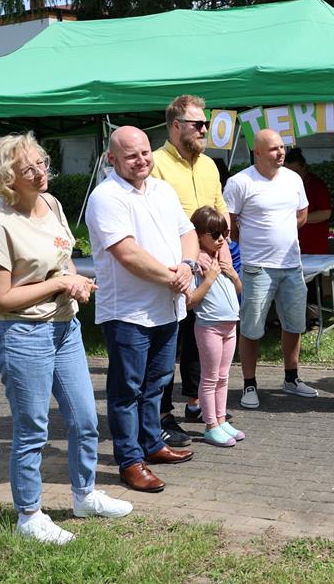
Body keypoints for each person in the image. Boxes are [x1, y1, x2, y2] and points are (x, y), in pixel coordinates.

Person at [0, 132, 132, 545]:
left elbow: (62, 262)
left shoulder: (53, 204)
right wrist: (60, 284)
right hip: (21, 332)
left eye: (41, 163)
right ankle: (28, 516)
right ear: (6, 177)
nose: (39, 173)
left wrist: (75, 283)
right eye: (27, 169)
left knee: (84, 419)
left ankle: (84, 496)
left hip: (66, 327)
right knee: (32, 428)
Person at [86, 126, 198, 494]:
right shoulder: (106, 197)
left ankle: (152, 444)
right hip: (129, 312)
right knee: (126, 390)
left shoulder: (163, 190)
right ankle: (129, 460)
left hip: (167, 308)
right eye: (131, 155)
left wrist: (186, 264)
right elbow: (127, 253)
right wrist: (174, 278)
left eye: (145, 152)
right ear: (111, 159)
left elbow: (189, 233)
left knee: (157, 384)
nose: (141, 160)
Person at [151, 94, 231, 448]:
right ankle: (163, 414)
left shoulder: (210, 165)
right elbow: (155, 220)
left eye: (206, 124)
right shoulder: (155, 164)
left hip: (211, 264)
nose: (204, 130)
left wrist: (222, 243)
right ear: (175, 126)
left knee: (203, 338)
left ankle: (200, 403)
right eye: (198, 124)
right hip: (178, 267)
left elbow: (221, 208)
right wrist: (193, 252)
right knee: (172, 341)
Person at [223, 128, 317, 409]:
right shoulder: (240, 182)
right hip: (257, 267)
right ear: (258, 152)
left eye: (282, 147)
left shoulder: (293, 179)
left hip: (291, 265)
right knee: (251, 329)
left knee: (295, 324)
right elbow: (230, 224)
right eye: (274, 148)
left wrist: (281, 231)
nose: (281, 152)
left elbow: (302, 214)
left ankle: (291, 377)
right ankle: (249, 384)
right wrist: (254, 241)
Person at [185, 206, 245, 447]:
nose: (222, 239)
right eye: (215, 234)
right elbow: (189, 301)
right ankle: (210, 425)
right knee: (209, 378)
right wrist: (209, 279)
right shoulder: (198, 264)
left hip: (230, 325)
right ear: (199, 235)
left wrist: (234, 276)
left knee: (224, 376)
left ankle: (221, 419)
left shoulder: (225, 258)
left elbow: (239, 291)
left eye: (224, 233)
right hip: (209, 326)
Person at [284, 147, 333, 255]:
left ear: (304, 167)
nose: (292, 176)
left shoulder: (316, 185)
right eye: (288, 172)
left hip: (312, 243)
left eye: (295, 171)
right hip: (290, 244)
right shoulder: (283, 185)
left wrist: (297, 220)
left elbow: (325, 213)